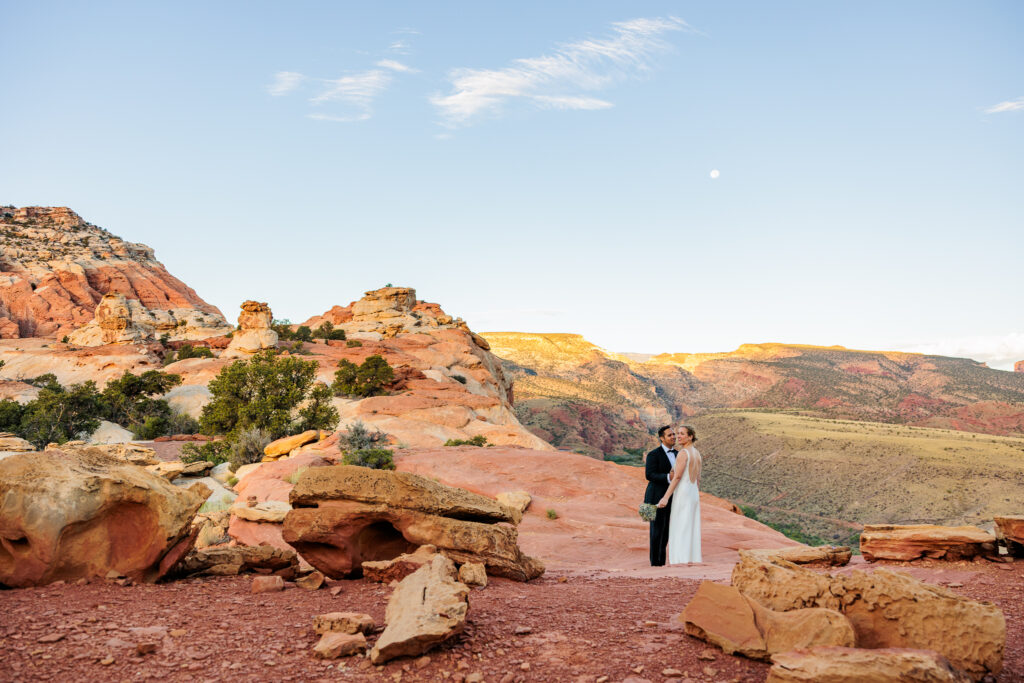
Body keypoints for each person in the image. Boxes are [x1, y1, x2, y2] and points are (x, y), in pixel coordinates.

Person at [656, 424, 702, 564]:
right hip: (693, 492)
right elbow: (698, 478)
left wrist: (665, 497)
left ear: (690, 436)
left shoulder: (683, 453)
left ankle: (680, 560)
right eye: (677, 433)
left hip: (683, 492)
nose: (678, 436)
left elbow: (677, 477)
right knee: (690, 525)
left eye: (682, 433)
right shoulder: (697, 453)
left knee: (680, 525)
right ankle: (691, 558)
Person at [644, 425, 678, 566]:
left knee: (666, 532)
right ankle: (655, 564)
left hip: (672, 497)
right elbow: (649, 475)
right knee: (656, 531)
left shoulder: (677, 454)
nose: (673, 437)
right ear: (662, 438)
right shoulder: (653, 454)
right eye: (669, 435)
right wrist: (668, 477)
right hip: (655, 497)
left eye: (674, 434)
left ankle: (662, 563)